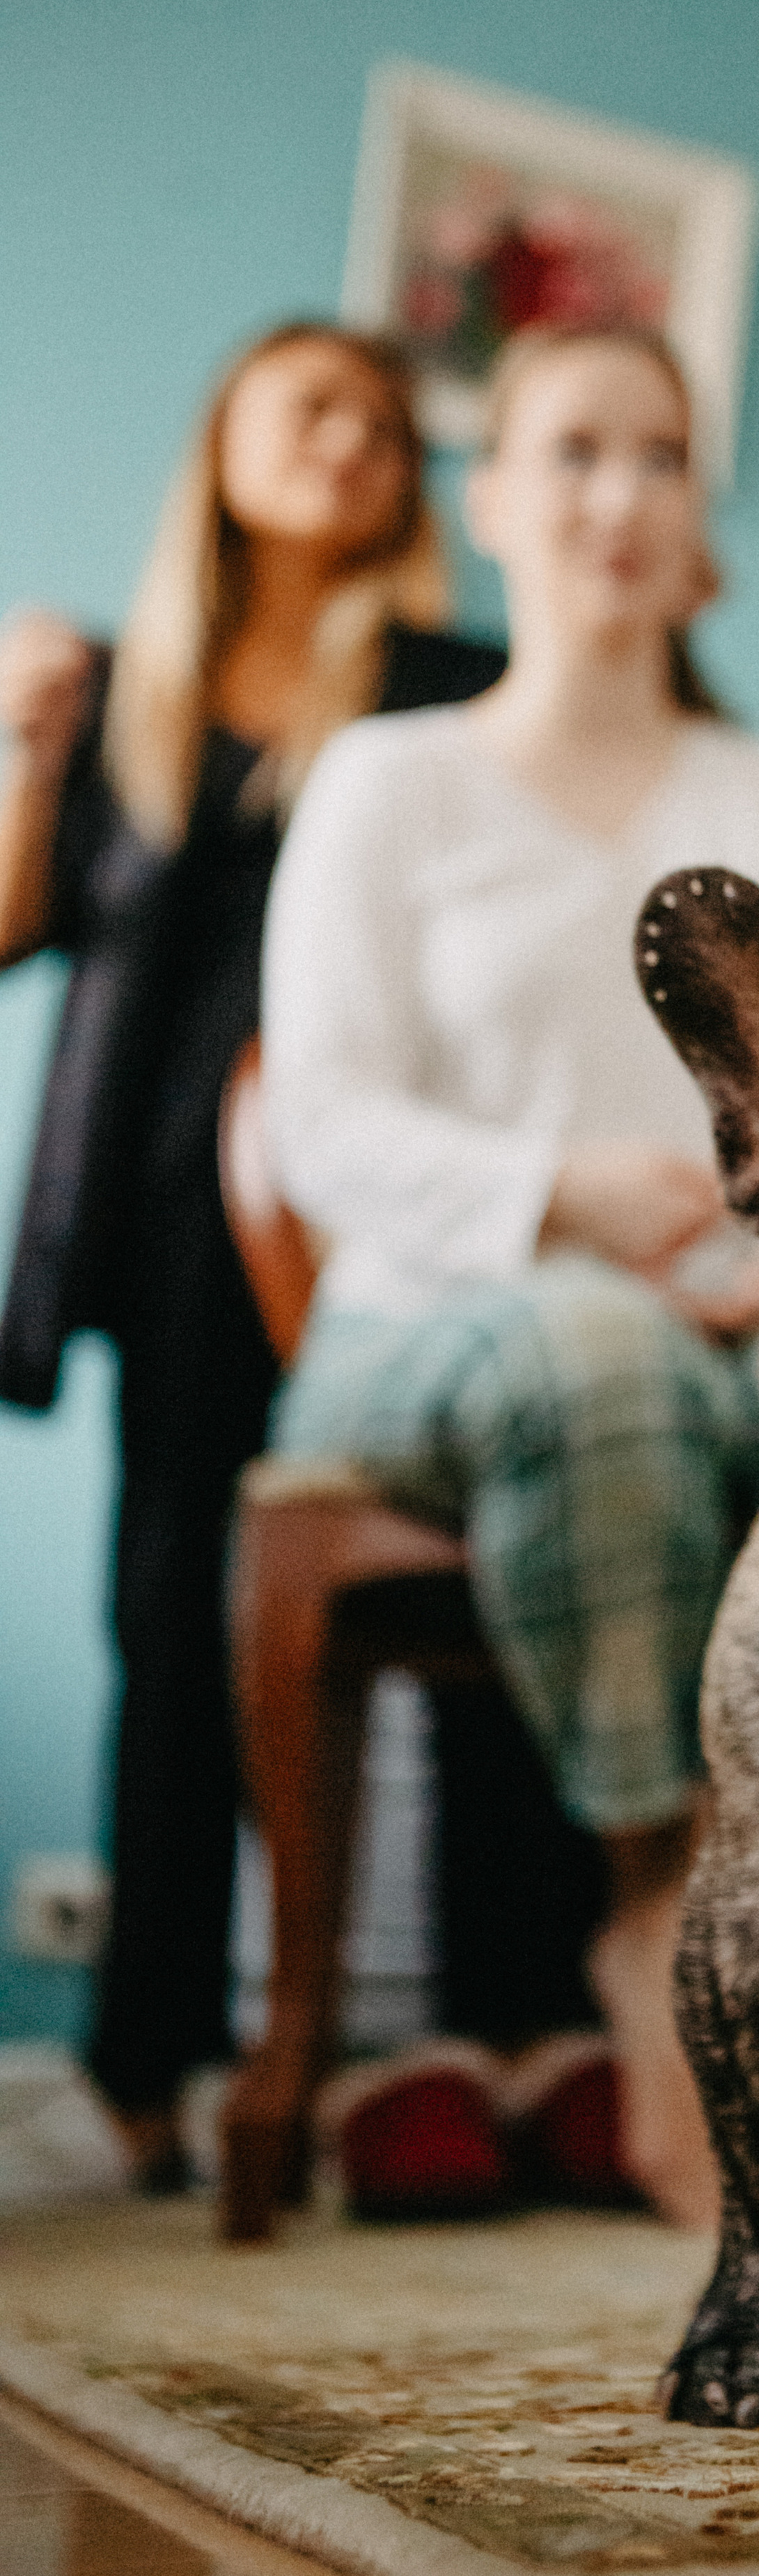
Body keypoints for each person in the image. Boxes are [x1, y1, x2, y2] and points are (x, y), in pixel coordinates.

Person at [261, 323, 759, 2228]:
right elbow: (321, 1125)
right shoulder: (390, 782)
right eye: (572, 452)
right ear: (491, 503)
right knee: (597, 1351)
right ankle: (663, 1921)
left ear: (702, 519)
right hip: (411, 1341)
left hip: (733, 1322)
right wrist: (574, 1195)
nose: (618, 495)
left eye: (659, 456)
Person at [0, 323, 507, 2191]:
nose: (356, 445)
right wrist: (24, 741)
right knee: (174, 1617)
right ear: (219, 446)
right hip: (159, 1218)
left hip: (388, 1205)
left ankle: (497, 2036)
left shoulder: (456, 683)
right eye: (314, 410)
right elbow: (17, 922)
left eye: (388, 427)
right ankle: (149, 2062)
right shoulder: (125, 689)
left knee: (449, 1578)